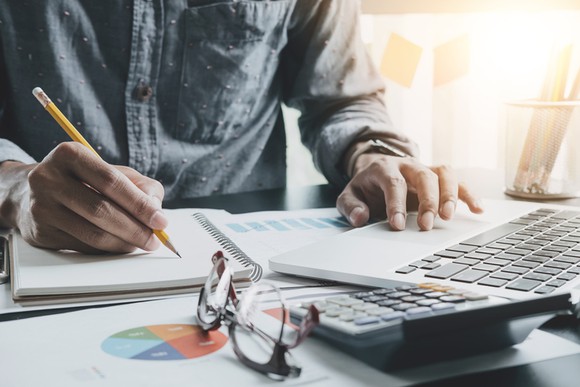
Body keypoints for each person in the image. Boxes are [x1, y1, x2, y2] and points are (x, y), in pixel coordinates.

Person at [0, 0, 483, 255]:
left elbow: (341, 96)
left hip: (250, 271)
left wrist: (373, 153)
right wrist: (15, 188)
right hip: (40, 255)